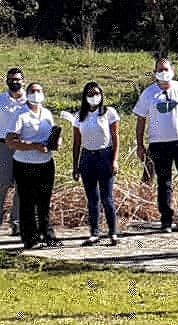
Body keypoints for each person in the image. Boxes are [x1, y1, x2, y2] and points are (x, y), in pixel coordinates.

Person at [133, 57, 178, 232]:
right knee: (164, 182)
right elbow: (140, 120)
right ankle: (166, 219)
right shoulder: (148, 93)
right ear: (155, 73)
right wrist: (140, 145)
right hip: (158, 144)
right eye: (159, 70)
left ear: (173, 71)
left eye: (166, 69)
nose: (163, 73)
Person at [6, 82, 60, 249]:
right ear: (27, 93)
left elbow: (52, 133)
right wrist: (34, 146)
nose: (36, 94)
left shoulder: (47, 114)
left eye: (39, 91)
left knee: (44, 202)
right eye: (32, 91)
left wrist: (57, 141)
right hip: (25, 164)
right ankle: (30, 238)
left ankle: (47, 234)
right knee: (28, 203)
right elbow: (11, 141)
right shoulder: (21, 114)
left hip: (45, 163)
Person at [71, 81, 120, 245]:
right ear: (85, 97)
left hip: (104, 156)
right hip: (87, 157)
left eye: (97, 94)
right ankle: (94, 232)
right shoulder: (79, 116)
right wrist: (75, 165)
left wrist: (114, 160)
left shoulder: (108, 113)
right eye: (90, 94)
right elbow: (76, 142)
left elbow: (115, 138)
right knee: (92, 198)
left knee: (107, 198)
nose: (94, 97)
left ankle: (113, 232)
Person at [0, 66, 28, 238]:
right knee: (1, 185)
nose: (14, 82)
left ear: (23, 80)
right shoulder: (1, 100)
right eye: (11, 79)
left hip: (23, 147)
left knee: (21, 186)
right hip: (3, 147)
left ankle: (16, 222)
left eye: (17, 79)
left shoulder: (30, 101)